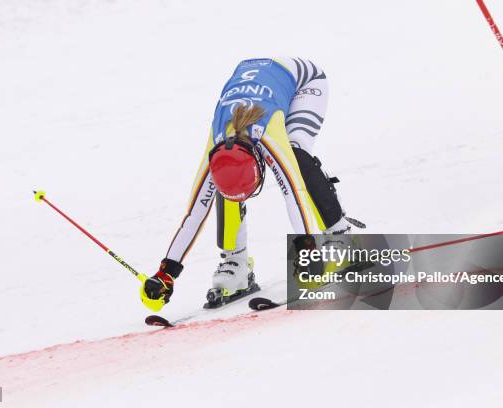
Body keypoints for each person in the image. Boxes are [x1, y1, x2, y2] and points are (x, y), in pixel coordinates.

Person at [140, 57, 358, 311]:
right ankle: (236, 262)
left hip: (304, 83)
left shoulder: (267, 134)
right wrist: (166, 273)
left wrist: (307, 250)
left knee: (296, 155)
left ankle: (339, 235)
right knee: (226, 184)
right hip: (256, 81)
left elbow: (294, 193)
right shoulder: (216, 146)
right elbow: (195, 213)